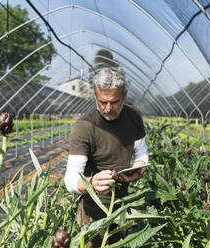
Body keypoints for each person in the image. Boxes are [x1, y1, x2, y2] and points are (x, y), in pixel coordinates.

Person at [64, 67, 148, 247]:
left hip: (123, 206)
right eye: (102, 102)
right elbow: (70, 179)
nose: (108, 108)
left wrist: (139, 168)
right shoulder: (85, 126)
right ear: (95, 95)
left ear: (124, 96)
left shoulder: (134, 117)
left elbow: (142, 153)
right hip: (93, 211)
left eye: (114, 102)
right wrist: (91, 182)